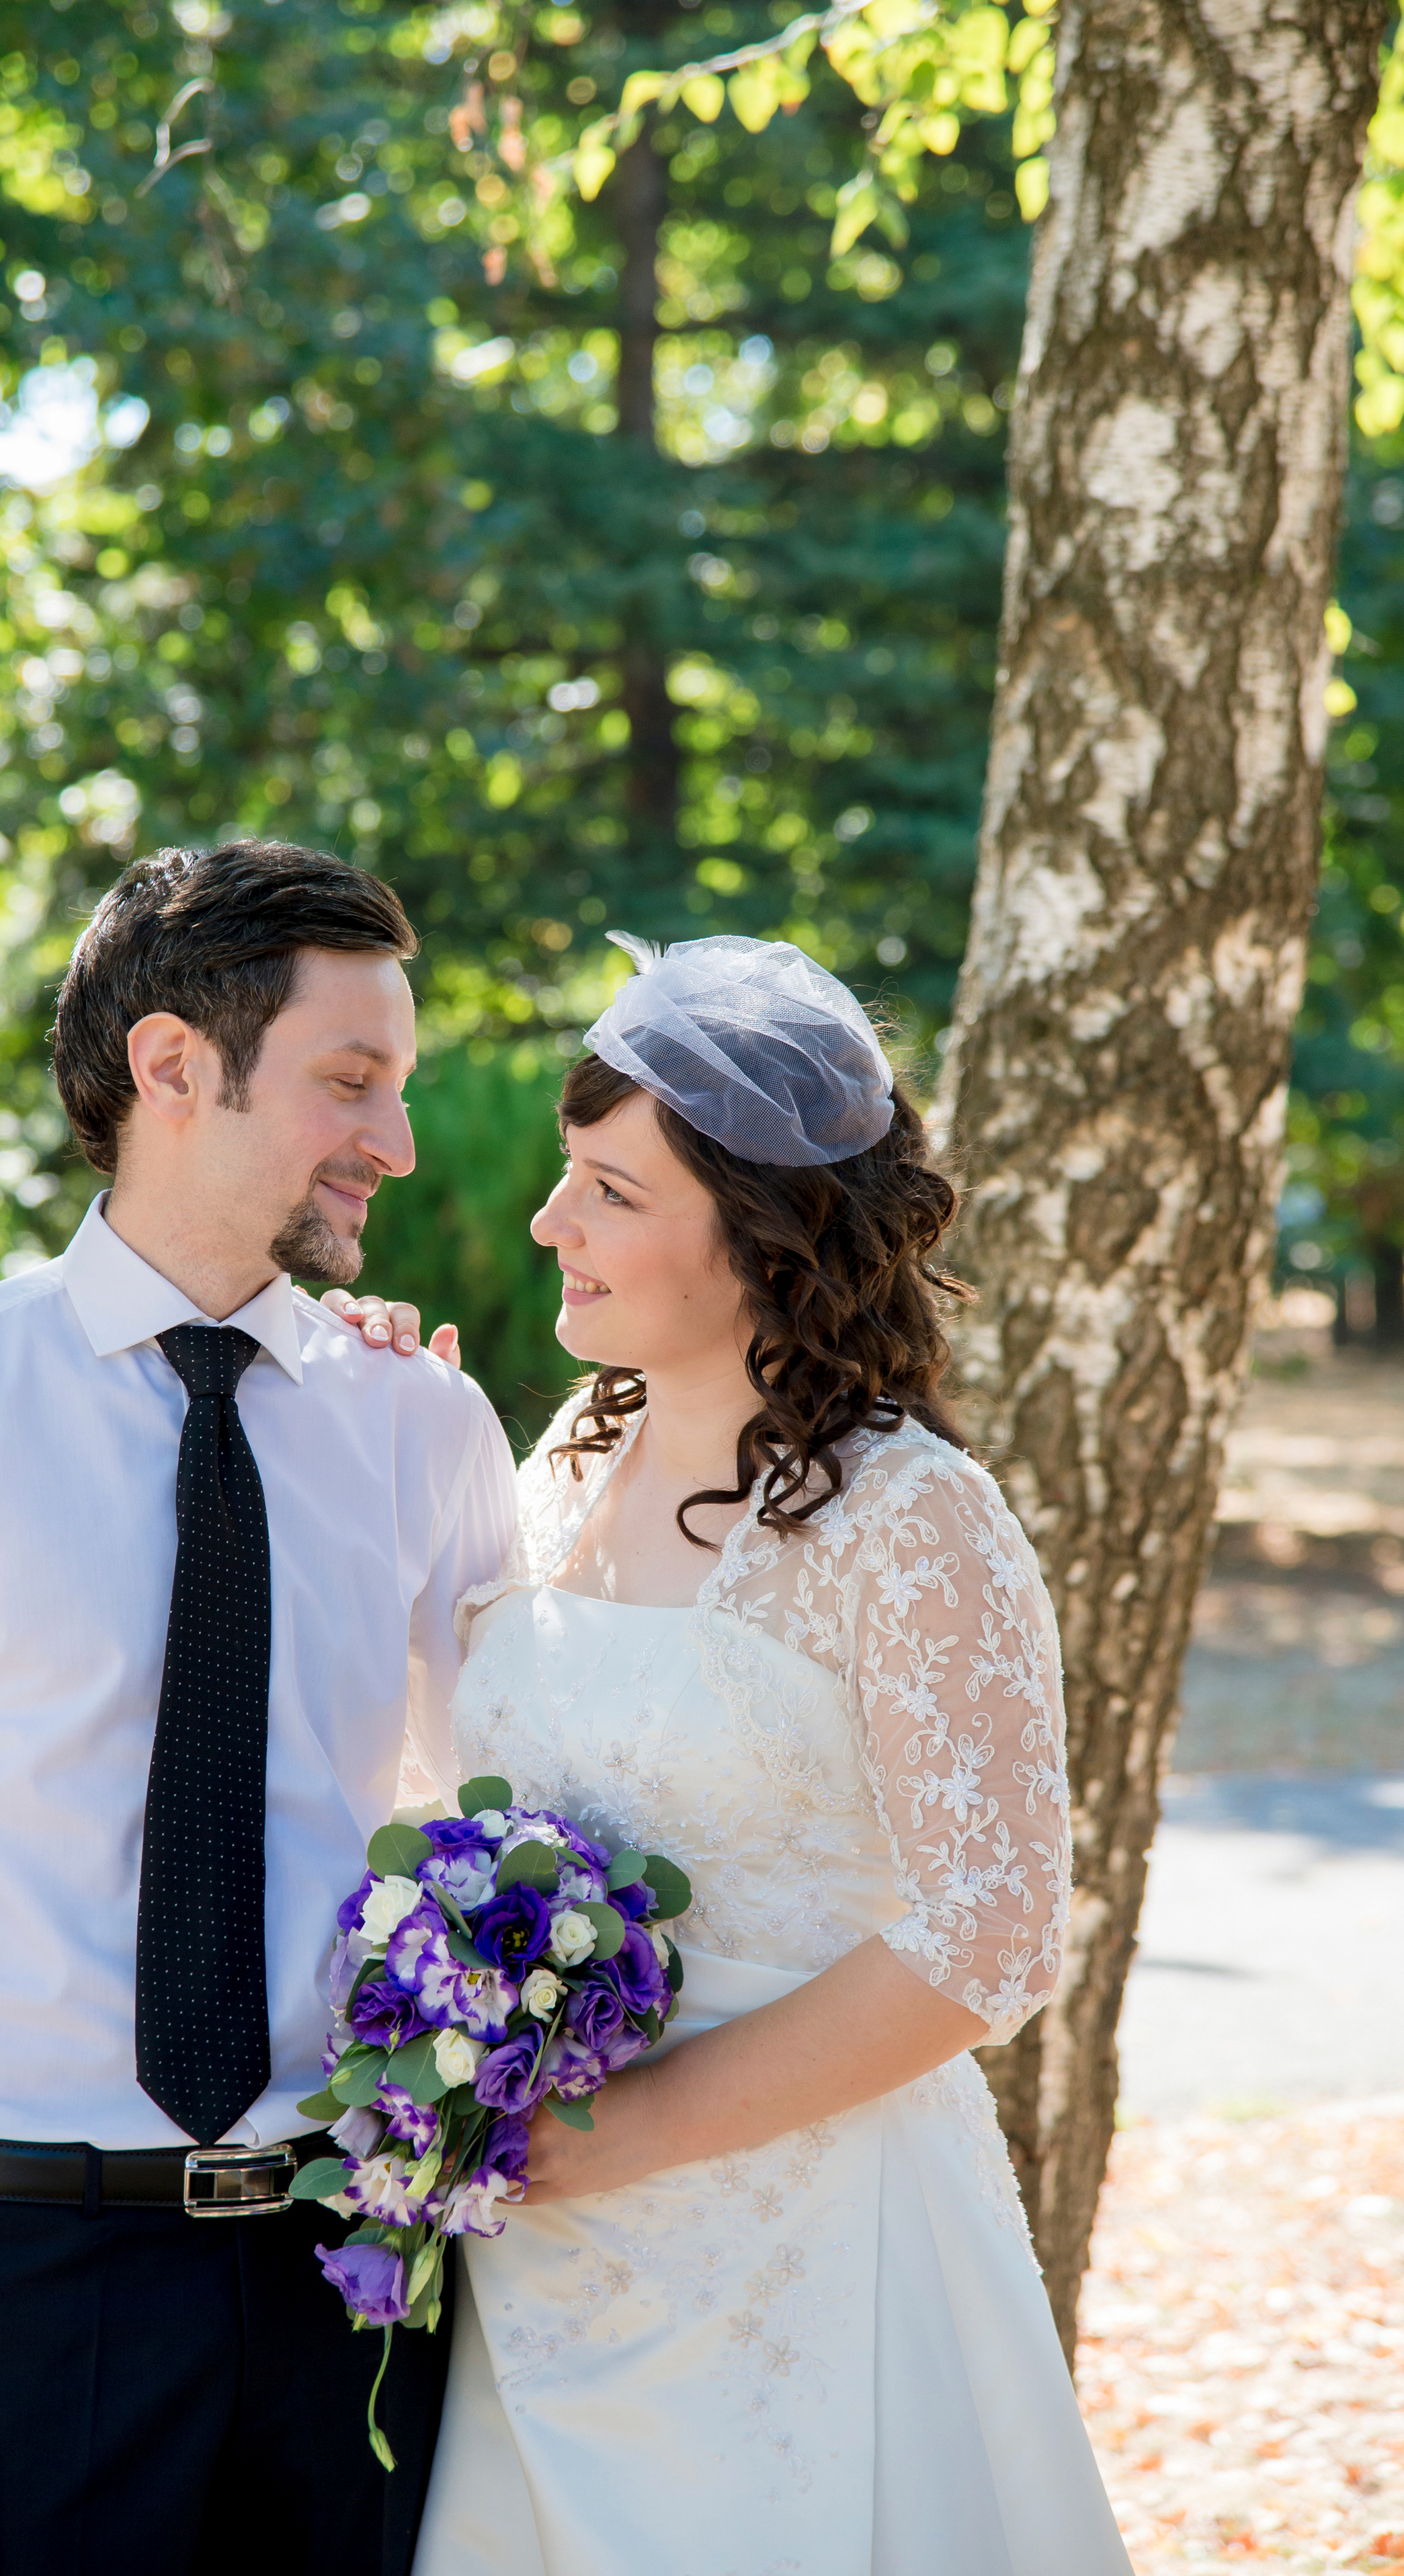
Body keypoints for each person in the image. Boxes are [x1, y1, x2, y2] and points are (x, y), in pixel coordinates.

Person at [0, 840, 514, 2576]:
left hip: (360, 2282)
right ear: (174, 1066)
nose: (394, 1143)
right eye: (352, 1082)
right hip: (23, 2283)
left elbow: (504, 1823)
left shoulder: (423, 1427)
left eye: (397, 1087)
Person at [410, 935, 1134, 2575]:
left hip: (814, 2268)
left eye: (605, 1190)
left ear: (756, 1233)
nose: (547, 1226)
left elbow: (993, 1932)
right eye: (561, 1180)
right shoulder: (554, 1465)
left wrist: (616, 2139)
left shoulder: (912, 1519)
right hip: (540, 2282)